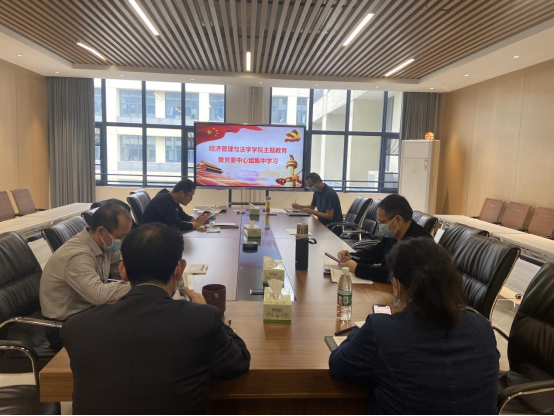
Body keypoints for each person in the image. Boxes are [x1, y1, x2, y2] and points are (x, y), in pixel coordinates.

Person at [62, 223, 251, 415]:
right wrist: (212, 314)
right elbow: (237, 363)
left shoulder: (76, 328)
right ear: (179, 269)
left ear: (123, 271)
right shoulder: (201, 319)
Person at [329, 238, 499, 415]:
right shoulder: (483, 327)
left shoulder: (382, 331)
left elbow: (339, 365)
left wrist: (357, 332)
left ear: (396, 285)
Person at [40, 203, 133, 348]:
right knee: (131, 333)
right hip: (64, 326)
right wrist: (140, 284)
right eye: (121, 237)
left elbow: (122, 265)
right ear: (102, 231)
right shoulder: (78, 256)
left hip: (87, 313)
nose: (122, 242)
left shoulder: (103, 244)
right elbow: (99, 295)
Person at [338, 194, 432, 283]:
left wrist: (358, 268)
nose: (380, 226)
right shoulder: (394, 233)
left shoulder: (420, 242)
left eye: (382, 222)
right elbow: (376, 253)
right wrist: (353, 257)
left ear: (398, 220)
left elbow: (395, 275)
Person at [142, 179, 210, 232]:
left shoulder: (171, 198)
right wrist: (197, 224)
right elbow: (176, 225)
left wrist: (196, 220)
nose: (191, 199)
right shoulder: (164, 201)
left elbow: (182, 215)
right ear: (181, 193)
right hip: (150, 238)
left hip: (158, 233)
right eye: (191, 196)